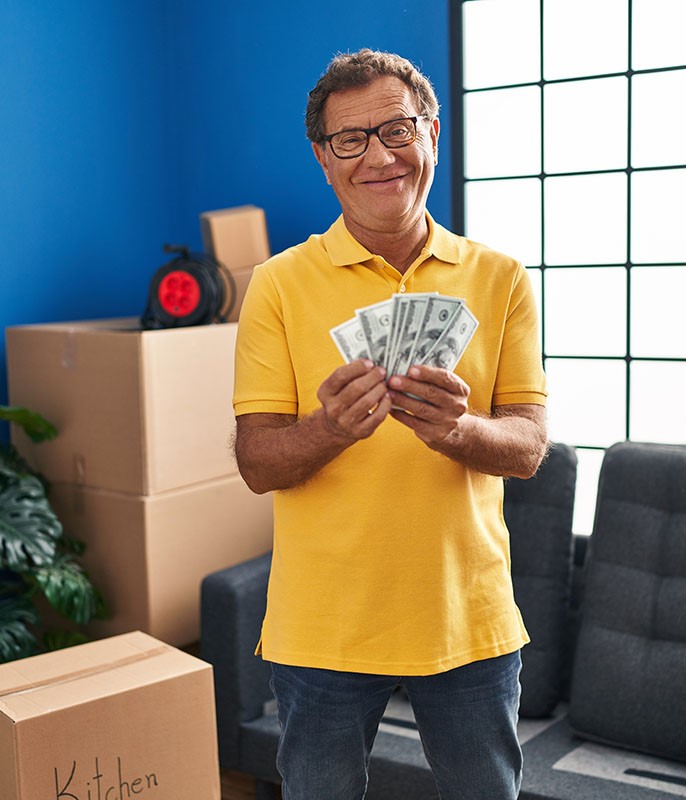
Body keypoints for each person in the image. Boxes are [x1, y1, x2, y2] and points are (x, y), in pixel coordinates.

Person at [232, 49, 549, 800]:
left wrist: (459, 433)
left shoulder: (500, 277)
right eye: (350, 139)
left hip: (466, 617)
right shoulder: (276, 285)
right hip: (323, 625)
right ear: (323, 159)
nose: (378, 155)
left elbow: (530, 447)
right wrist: (331, 429)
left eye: (396, 129)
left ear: (431, 133)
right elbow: (257, 463)